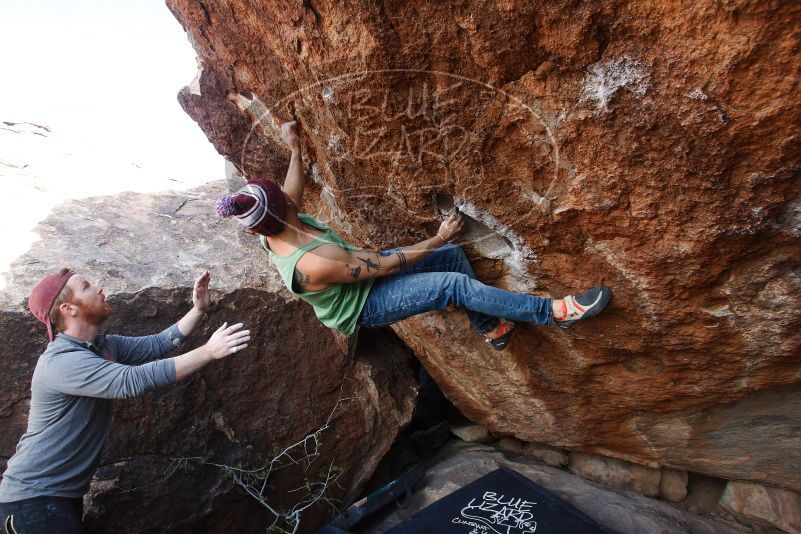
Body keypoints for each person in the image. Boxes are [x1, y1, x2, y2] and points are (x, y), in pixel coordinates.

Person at [216, 121, 611, 350]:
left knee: (455, 256)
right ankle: (555, 313)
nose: (290, 196)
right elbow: (388, 265)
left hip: (361, 273)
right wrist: (436, 238)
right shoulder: (313, 263)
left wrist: (296, 149)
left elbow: (291, 190)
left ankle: (491, 328)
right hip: (364, 303)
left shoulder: (275, 225)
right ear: (281, 211)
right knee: (452, 281)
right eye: (284, 198)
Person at [0, 269, 249, 534]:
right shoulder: (61, 362)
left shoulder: (102, 346)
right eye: (87, 287)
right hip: (30, 501)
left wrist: (198, 309)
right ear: (68, 308)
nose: (99, 288)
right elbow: (132, 381)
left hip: (58, 498)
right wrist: (209, 351)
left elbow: (158, 343)